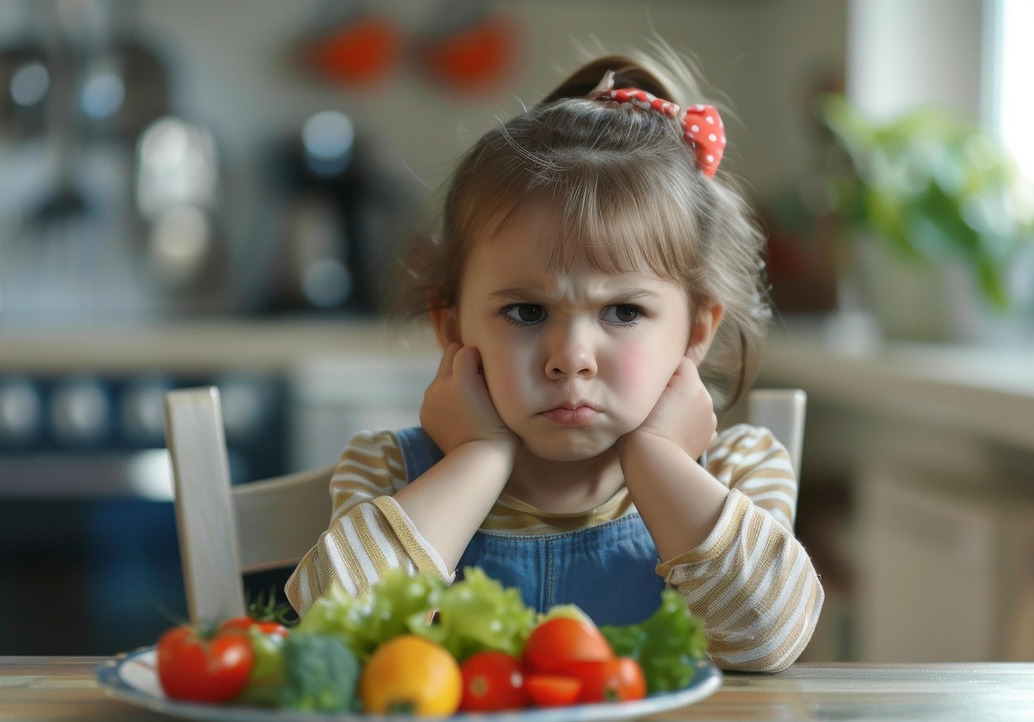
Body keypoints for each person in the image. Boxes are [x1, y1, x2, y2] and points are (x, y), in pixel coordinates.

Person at [285, 49, 823, 672]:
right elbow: (332, 640)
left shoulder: (737, 470)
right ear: (453, 329)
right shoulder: (389, 470)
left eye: (622, 312)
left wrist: (658, 460)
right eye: (527, 313)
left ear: (695, 332)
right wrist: (476, 460)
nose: (570, 360)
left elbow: (768, 643)